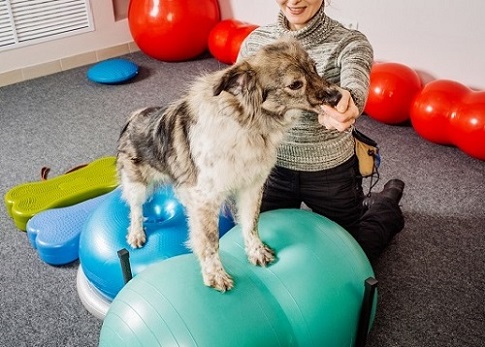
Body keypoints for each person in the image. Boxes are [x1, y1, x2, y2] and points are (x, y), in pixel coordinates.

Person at [237, 0, 405, 262]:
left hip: (331, 174)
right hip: (270, 170)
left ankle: (385, 205)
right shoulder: (255, 43)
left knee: (354, 259)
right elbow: (238, 107)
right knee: (254, 248)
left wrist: (347, 102)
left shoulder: (349, 42)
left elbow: (354, 82)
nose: (294, 1)